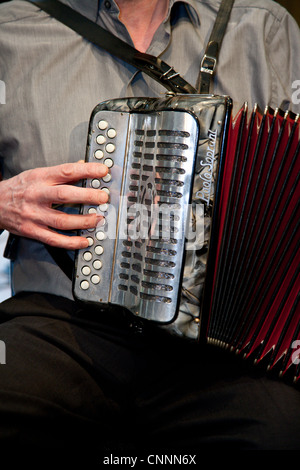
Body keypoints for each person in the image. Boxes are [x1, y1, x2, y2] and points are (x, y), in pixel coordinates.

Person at [0, 0, 300, 460]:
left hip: (220, 343)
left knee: (283, 430)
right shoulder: (10, 30)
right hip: (59, 324)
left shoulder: (265, 28)